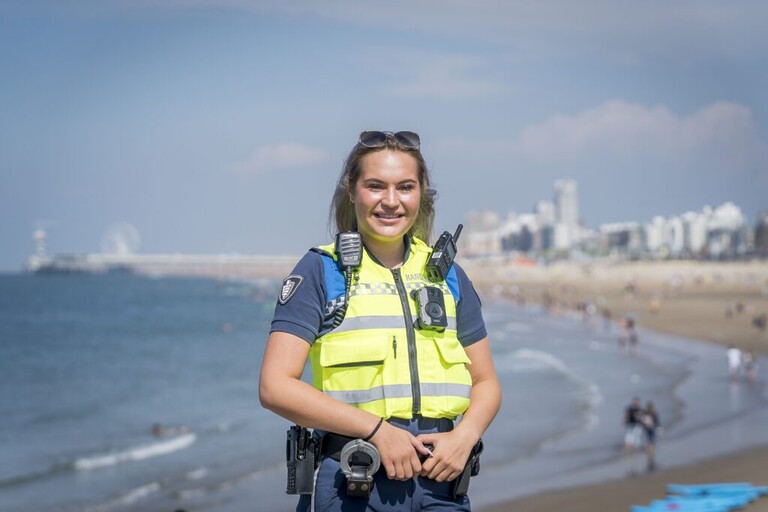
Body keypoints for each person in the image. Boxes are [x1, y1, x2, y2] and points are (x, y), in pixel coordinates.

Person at [259, 130, 502, 511]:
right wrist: (377, 431)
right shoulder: (322, 271)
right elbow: (275, 387)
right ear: (352, 190)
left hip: (442, 485)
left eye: (405, 187)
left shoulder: (449, 275)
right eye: (375, 186)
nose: (391, 201)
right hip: (354, 480)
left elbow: (486, 382)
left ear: (421, 193)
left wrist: (466, 435)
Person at [640, 401, 660, 471]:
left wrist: (657, 429)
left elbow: (657, 423)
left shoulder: (654, 414)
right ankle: (650, 460)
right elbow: (642, 423)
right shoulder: (645, 414)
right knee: (649, 446)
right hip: (647, 431)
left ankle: (651, 460)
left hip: (652, 430)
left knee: (651, 446)